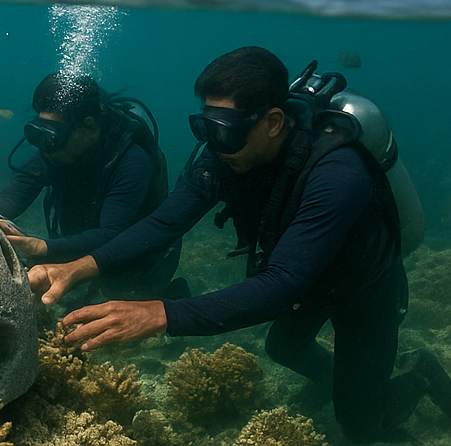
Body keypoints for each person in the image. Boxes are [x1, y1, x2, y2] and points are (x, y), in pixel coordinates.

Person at [27, 46, 451, 444]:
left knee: (360, 427)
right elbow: (162, 224)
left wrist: (160, 313)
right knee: (284, 347)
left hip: (363, 289)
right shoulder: (223, 156)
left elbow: (282, 283)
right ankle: (351, 384)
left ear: (272, 122)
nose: (213, 144)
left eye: (225, 131)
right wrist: (78, 266)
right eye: (204, 127)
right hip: (306, 277)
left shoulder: (338, 171)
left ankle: (418, 375)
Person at [0, 73, 180, 299]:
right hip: (83, 246)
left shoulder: (132, 161)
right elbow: (21, 186)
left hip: (137, 260)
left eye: (52, 136)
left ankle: (173, 296)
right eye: (39, 133)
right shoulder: (57, 149)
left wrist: (44, 247)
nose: (45, 146)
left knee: (129, 304)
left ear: (89, 126)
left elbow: (112, 233)